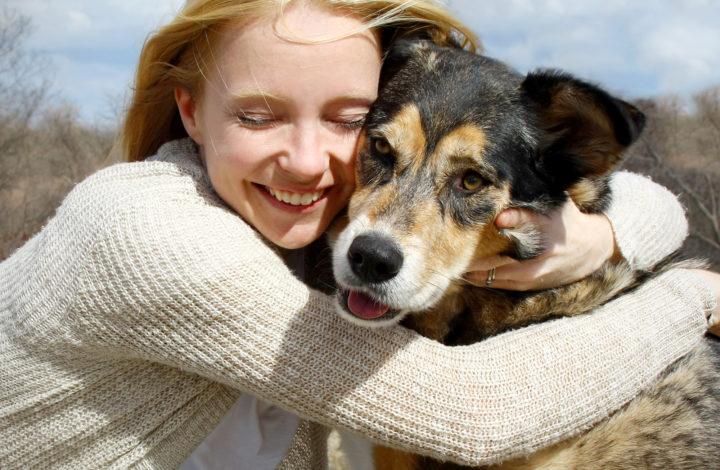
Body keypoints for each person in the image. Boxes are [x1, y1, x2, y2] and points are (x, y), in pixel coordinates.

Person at [1, 0, 718, 468]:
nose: (310, 160)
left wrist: (603, 238)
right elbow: (477, 415)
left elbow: (644, 195)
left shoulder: (295, 221)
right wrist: (688, 298)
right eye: (257, 116)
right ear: (189, 111)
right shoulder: (149, 235)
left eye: (347, 121)